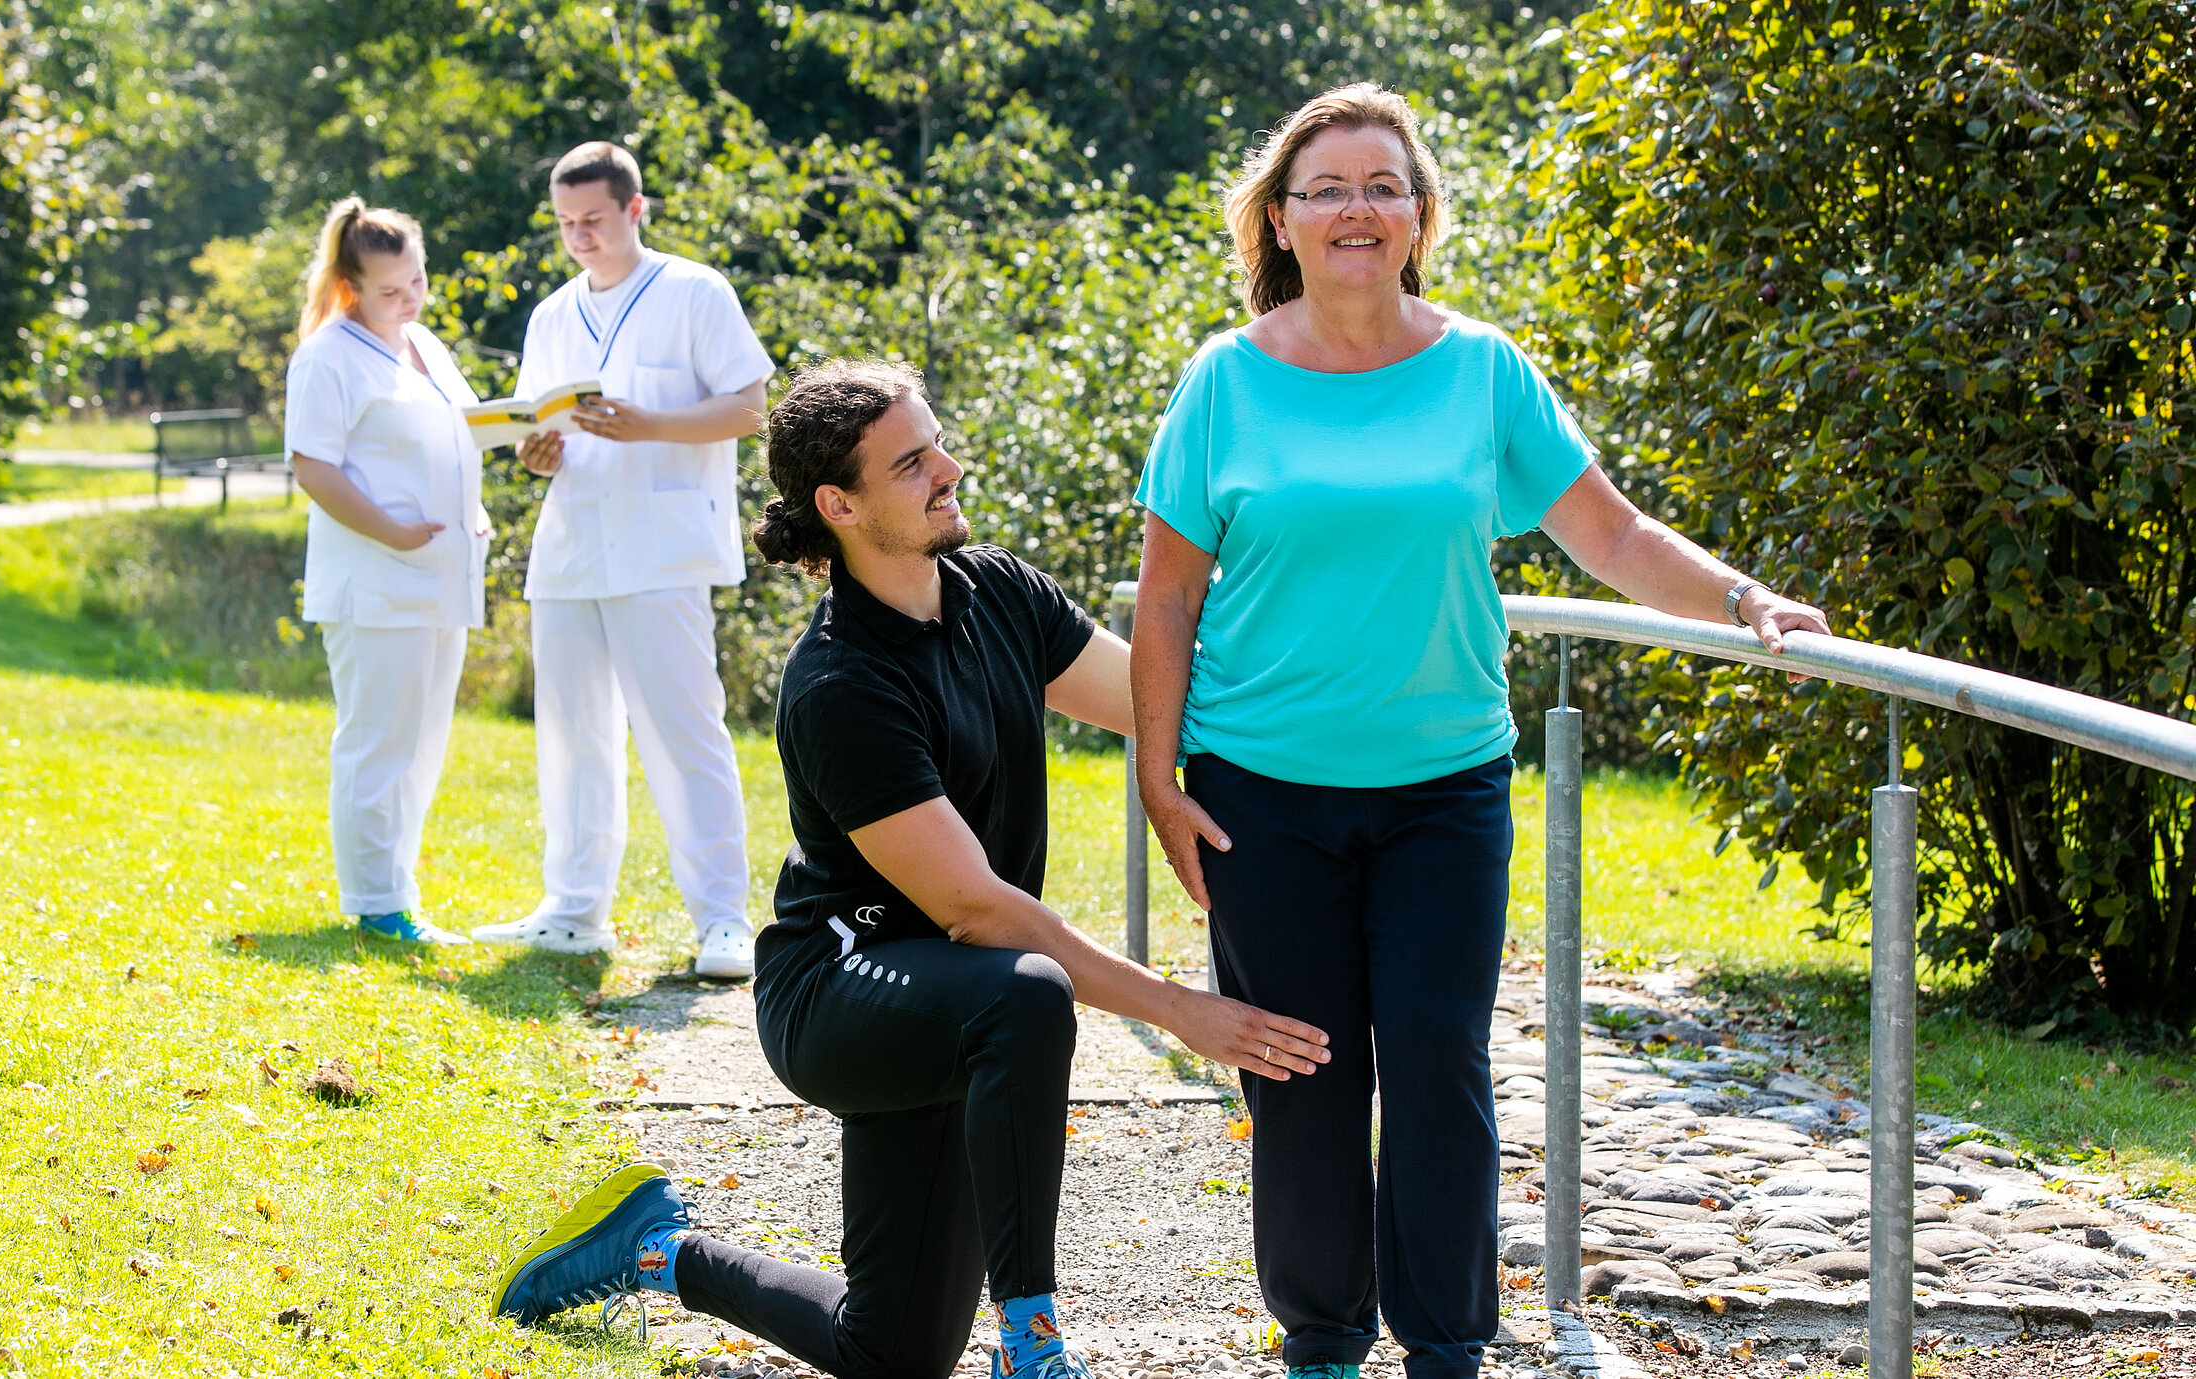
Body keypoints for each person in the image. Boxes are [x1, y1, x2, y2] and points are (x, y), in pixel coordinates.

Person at [1129, 85, 1834, 1379]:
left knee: (1438, 1057)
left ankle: (1448, 1346)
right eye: (1327, 188)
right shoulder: (1224, 381)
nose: (1355, 209)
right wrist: (1156, 778)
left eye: (1381, 186)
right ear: (1282, 220)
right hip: (1259, 789)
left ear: (1419, 215)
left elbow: (1611, 532)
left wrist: (1744, 597)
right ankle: (1323, 1343)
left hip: (1442, 791)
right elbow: (1167, 595)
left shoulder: (1484, 370)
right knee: (1299, 1068)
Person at [488, 360, 1332, 1379]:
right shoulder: (840, 681)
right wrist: (1178, 1007)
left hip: (961, 998)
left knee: (890, 1354)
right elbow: (973, 907)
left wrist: (1349, 693)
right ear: (838, 505)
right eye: (911, 463)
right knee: (1027, 991)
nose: (948, 469)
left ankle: (654, 1246)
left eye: (935, 444)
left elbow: (1167, 700)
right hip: (840, 990)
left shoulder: (1000, 593)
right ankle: (1033, 1342)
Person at [470, 141, 773, 979]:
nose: (580, 236)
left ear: (635, 209)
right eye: (567, 222)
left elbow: (750, 408)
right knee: (571, 734)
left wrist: (652, 426)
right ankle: (573, 911)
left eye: (594, 219)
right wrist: (535, 454)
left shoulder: (694, 291)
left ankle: (723, 920)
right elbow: (542, 426)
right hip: (571, 545)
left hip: (664, 545)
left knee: (683, 732)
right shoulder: (552, 314)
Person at [283, 196, 491, 947]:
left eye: (417, 281)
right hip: (376, 580)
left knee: (423, 745)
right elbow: (313, 467)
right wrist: (395, 533)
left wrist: (473, 505)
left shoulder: (424, 344)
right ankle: (376, 902)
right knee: (378, 743)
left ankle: (399, 895)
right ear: (349, 286)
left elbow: (459, 437)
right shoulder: (327, 355)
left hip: (442, 576)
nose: (410, 300)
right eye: (390, 290)